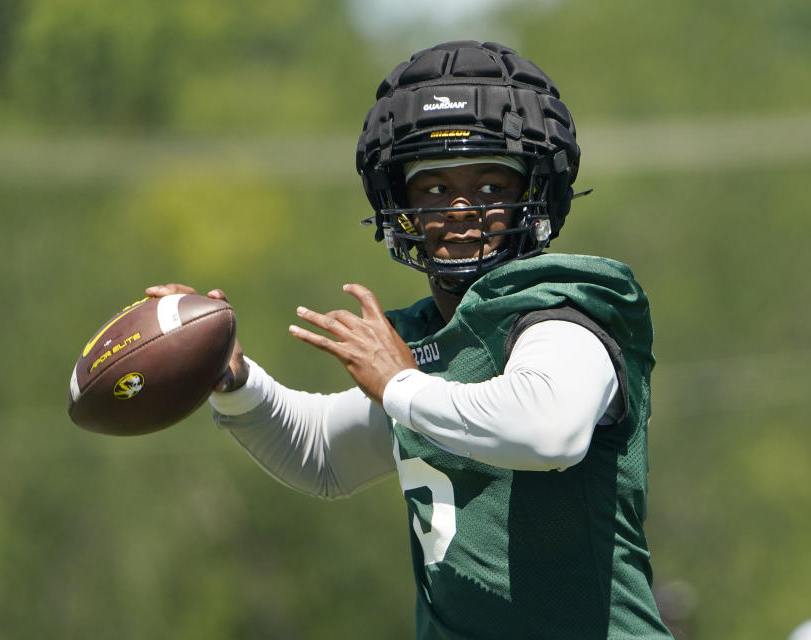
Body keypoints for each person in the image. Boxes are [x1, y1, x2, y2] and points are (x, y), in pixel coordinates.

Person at [148, 41, 670, 639]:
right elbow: (321, 454)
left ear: (537, 191)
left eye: (492, 186)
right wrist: (233, 379)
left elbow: (549, 429)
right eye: (432, 188)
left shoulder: (561, 315)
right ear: (397, 202)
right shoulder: (426, 343)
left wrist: (399, 385)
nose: (460, 209)